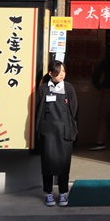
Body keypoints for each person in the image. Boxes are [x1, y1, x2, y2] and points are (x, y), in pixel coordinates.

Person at [33, 60, 78, 207]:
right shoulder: (43, 89)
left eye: (64, 72)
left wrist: (72, 130)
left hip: (64, 132)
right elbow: (38, 111)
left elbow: (74, 110)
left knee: (63, 164)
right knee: (47, 164)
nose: (62, 75)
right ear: (51, 73)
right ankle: (48, 193)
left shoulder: (69, 88)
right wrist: (39, 131)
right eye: (58, 72)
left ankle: (63, 193)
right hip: (48, 132)